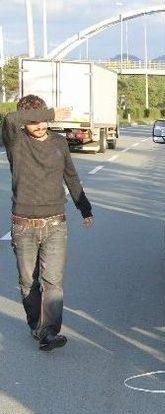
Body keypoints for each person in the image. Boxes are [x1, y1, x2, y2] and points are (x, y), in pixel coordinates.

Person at [2, 95, 94, 352]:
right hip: (23, 224)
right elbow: (9, 118)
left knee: (52, 281)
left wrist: (84, 208)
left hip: (55, 222)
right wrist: (50, 112)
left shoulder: (59, 142)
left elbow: (71, 177)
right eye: (34, 121)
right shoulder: (15, 141)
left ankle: (49, 332)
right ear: (25, 123)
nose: (40, 125)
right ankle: (36, 325)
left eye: (43, 119)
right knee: (27, 282)